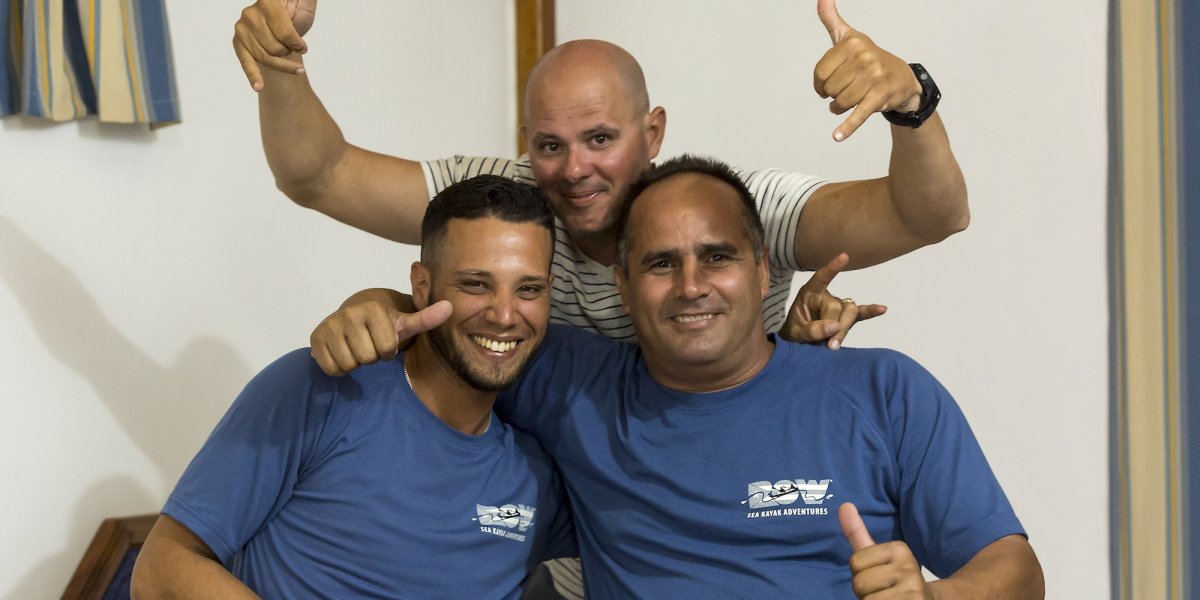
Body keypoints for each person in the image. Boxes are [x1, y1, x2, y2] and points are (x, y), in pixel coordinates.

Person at [388, 155, 1043, 597]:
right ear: (622, 284)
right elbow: (462, 332)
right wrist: (379, 306)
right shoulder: (567, 381)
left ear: (763, 269)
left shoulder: (882, 392)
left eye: (717, 257)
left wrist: (937, 594)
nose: (692, 287)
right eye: (661, 264)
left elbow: (1015, 572)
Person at [230, 0, 965, 376]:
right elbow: (319, 174)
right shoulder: (502, 204)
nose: (573, 169)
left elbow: (927, 214)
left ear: (655, 132)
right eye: (549, 145)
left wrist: (911, 103)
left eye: (601, 140)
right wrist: (282, 61)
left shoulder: (731, 210)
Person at [130, 176, 575, 599]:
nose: (504, 314)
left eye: (528, 289)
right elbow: (163, 569)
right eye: (476, 284)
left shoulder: (537, 475)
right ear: (422, 286)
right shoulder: (318, 390)